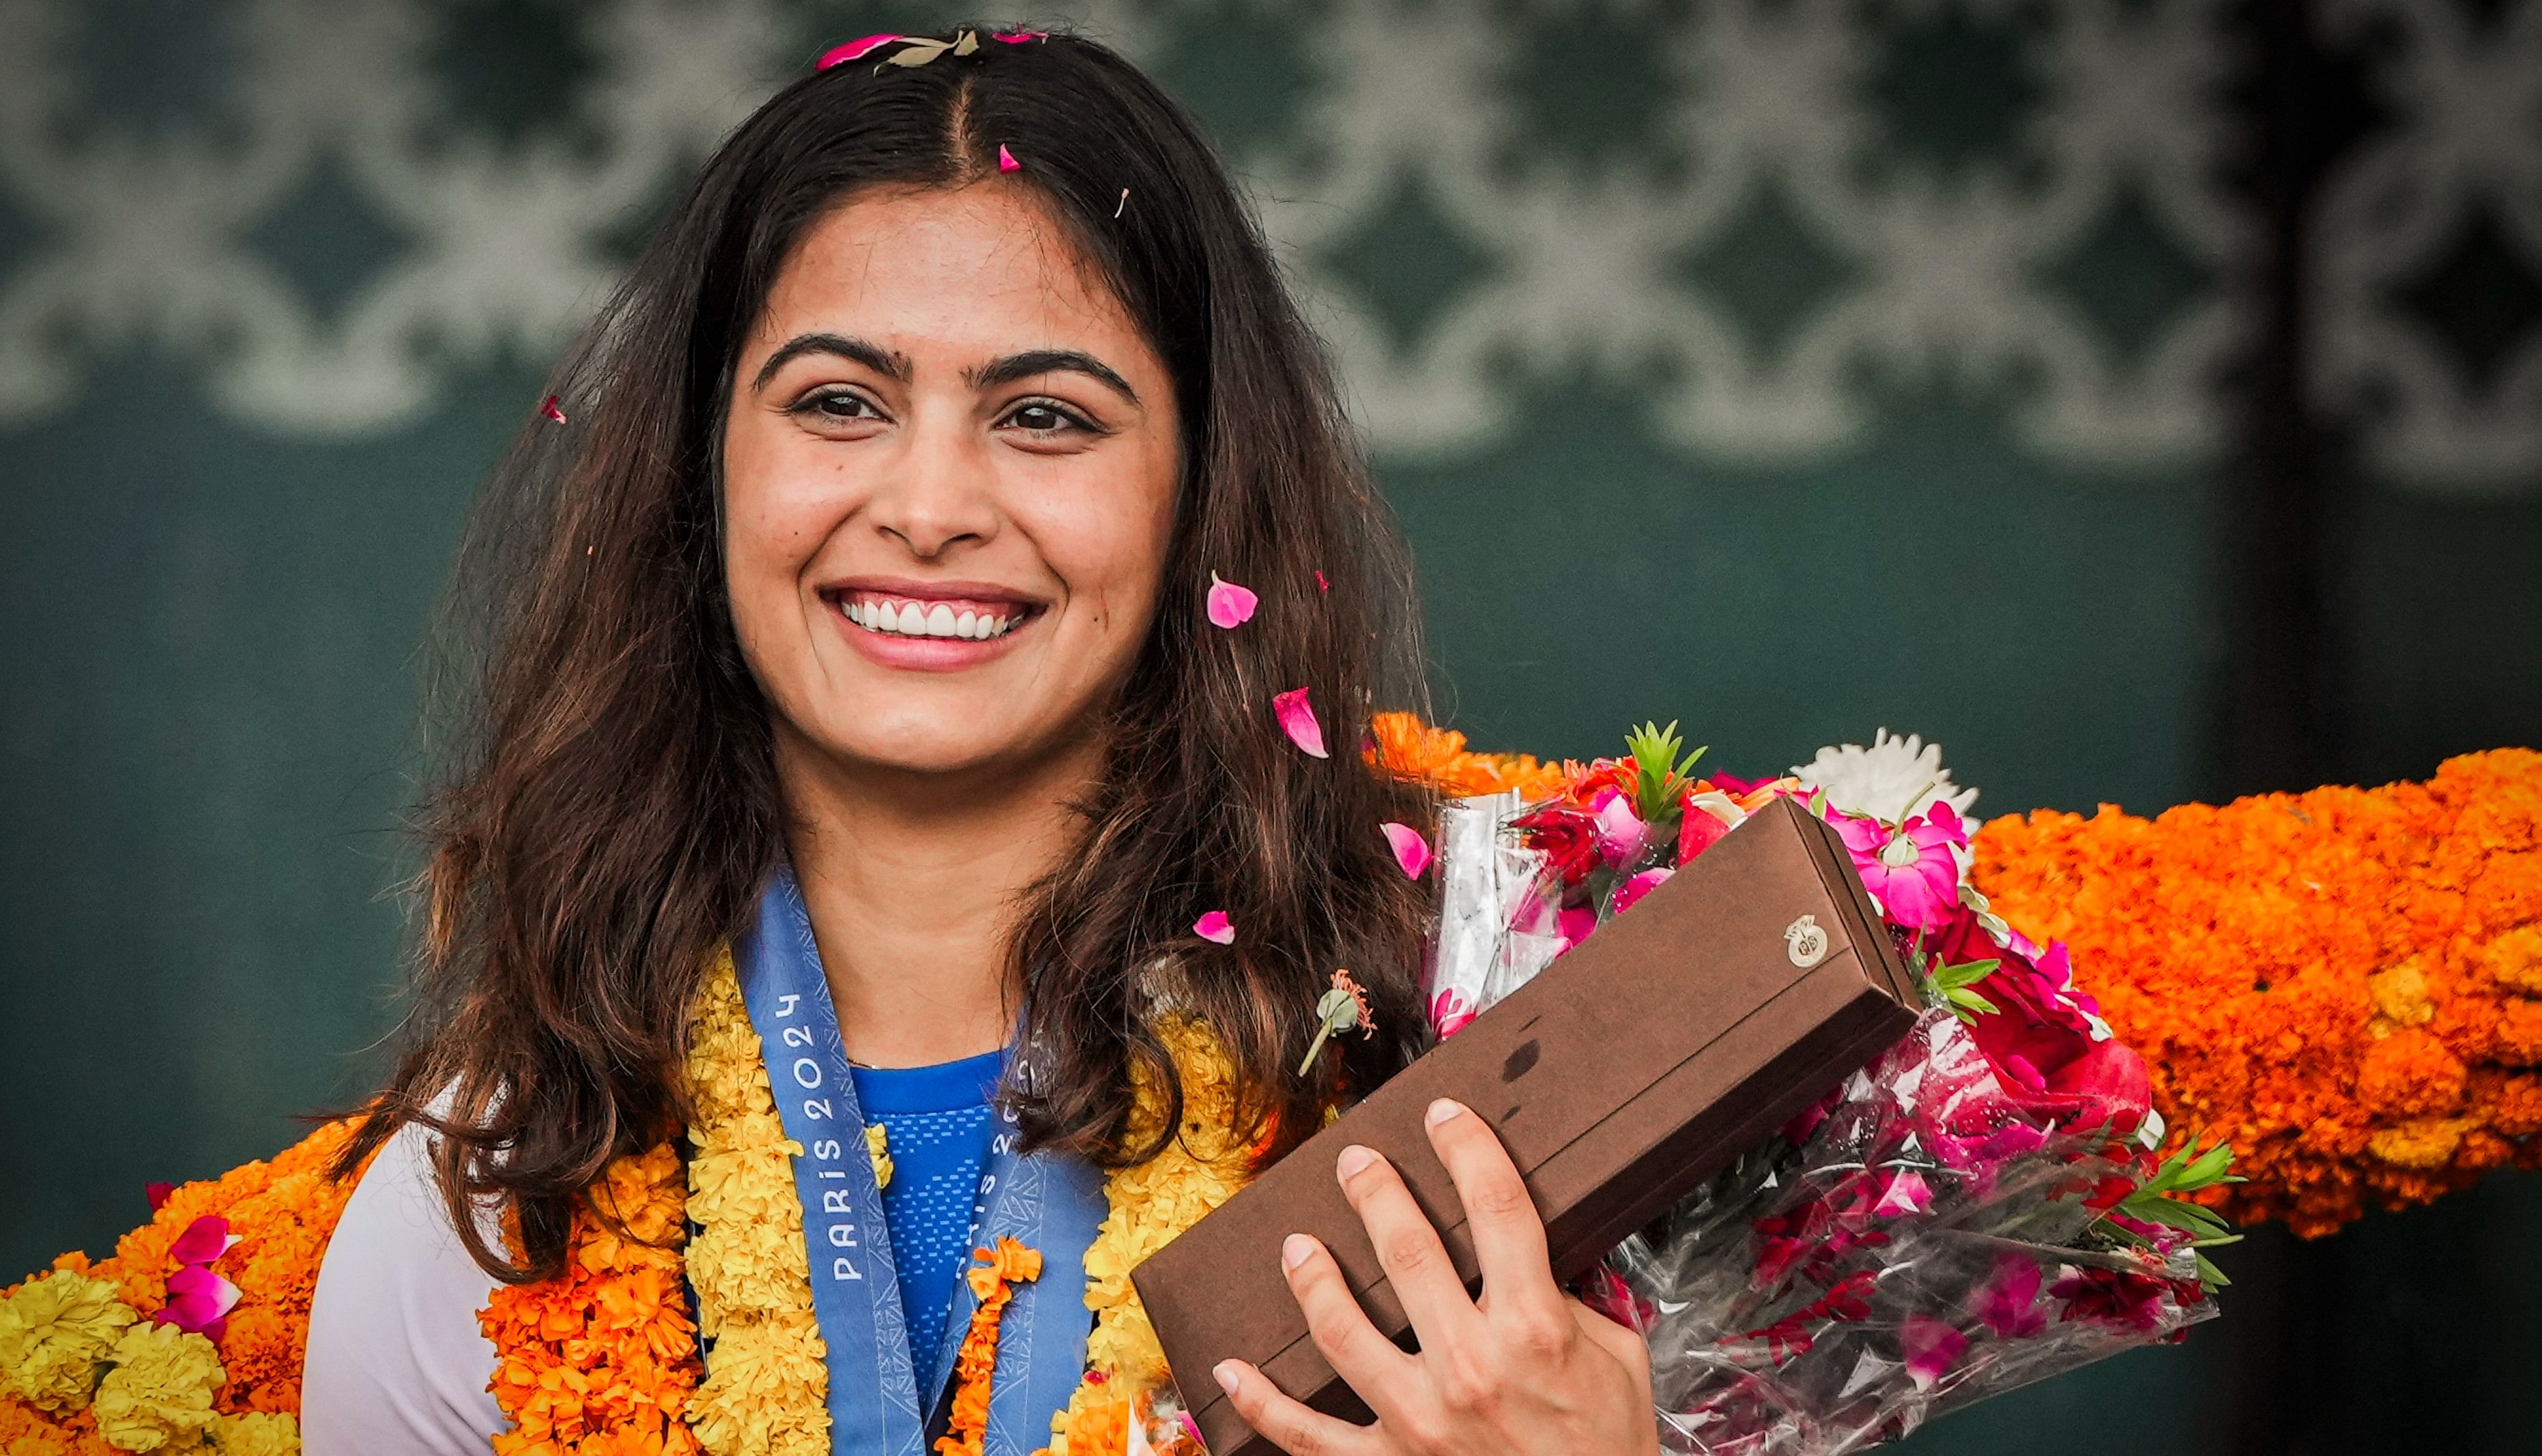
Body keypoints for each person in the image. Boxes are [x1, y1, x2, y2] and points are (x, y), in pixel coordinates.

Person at [299, 27, 1656, 1456]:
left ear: (1198, 497)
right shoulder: (496, 1194)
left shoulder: (1447, 1111)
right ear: (704, 472)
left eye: (1044, 415)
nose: (931, 502)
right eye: (837, 402)